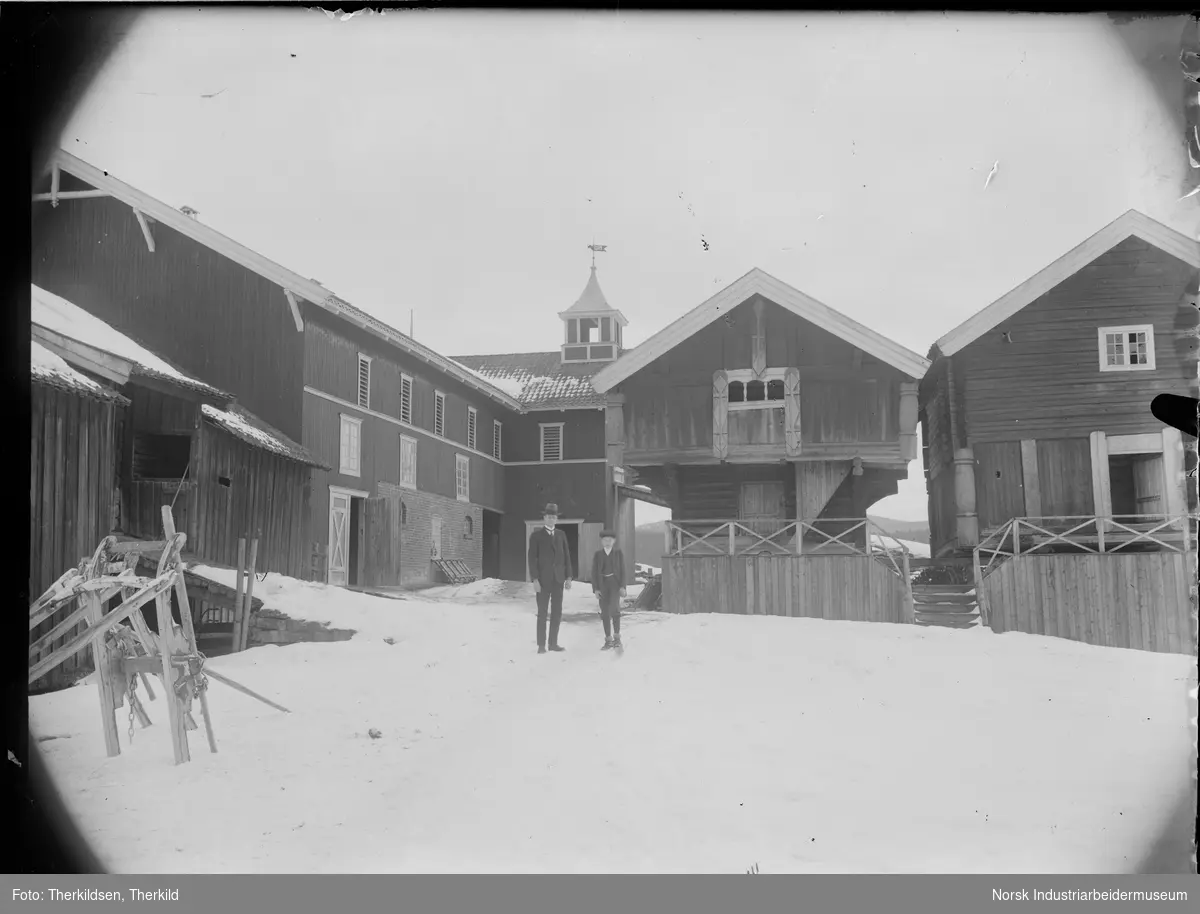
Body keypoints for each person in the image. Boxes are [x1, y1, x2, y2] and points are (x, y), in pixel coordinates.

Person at [527, 502, 573, 654]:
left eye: (554, 517)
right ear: (544, 518)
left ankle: (553, 643)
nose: (551, 519)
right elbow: (532, 559)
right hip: (542, 581)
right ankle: (541, 645)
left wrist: (569, 577)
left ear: (556, 519)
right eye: (548, 517)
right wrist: (535, 580)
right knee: (542, 612)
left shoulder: (561, 535)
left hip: (558, 580)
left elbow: (566, 556)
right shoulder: (536, 536)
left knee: (557, 612)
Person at [590, 529, 627, 650]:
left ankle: (617, 638)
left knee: (615, 610)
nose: (607, 542)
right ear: (601, 541)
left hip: (615, 584)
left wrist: (622, 587)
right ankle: (608, 640)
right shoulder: (598, 554)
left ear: (614, 541)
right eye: (605, 540)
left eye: (610, 540)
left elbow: (623, 570)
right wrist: (596, 589)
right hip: (602, 584)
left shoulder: (618, 553)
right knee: (605, 612)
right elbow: (594, 572)